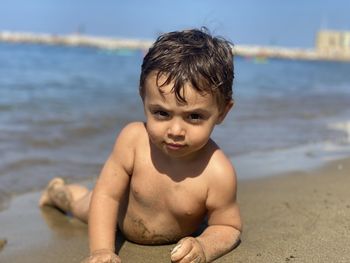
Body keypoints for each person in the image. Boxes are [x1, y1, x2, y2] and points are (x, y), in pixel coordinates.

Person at [39, 28, 242, 263]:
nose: (175, 131)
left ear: (222, 112)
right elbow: (106, 196)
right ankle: (55, 192)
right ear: (142, 96)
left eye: (194, 117)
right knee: (80, 205)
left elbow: (228, 225)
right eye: (161, 113)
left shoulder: (217, 172)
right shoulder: (134, 140)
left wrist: (205, 246)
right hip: (117, 216)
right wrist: (102, 251)